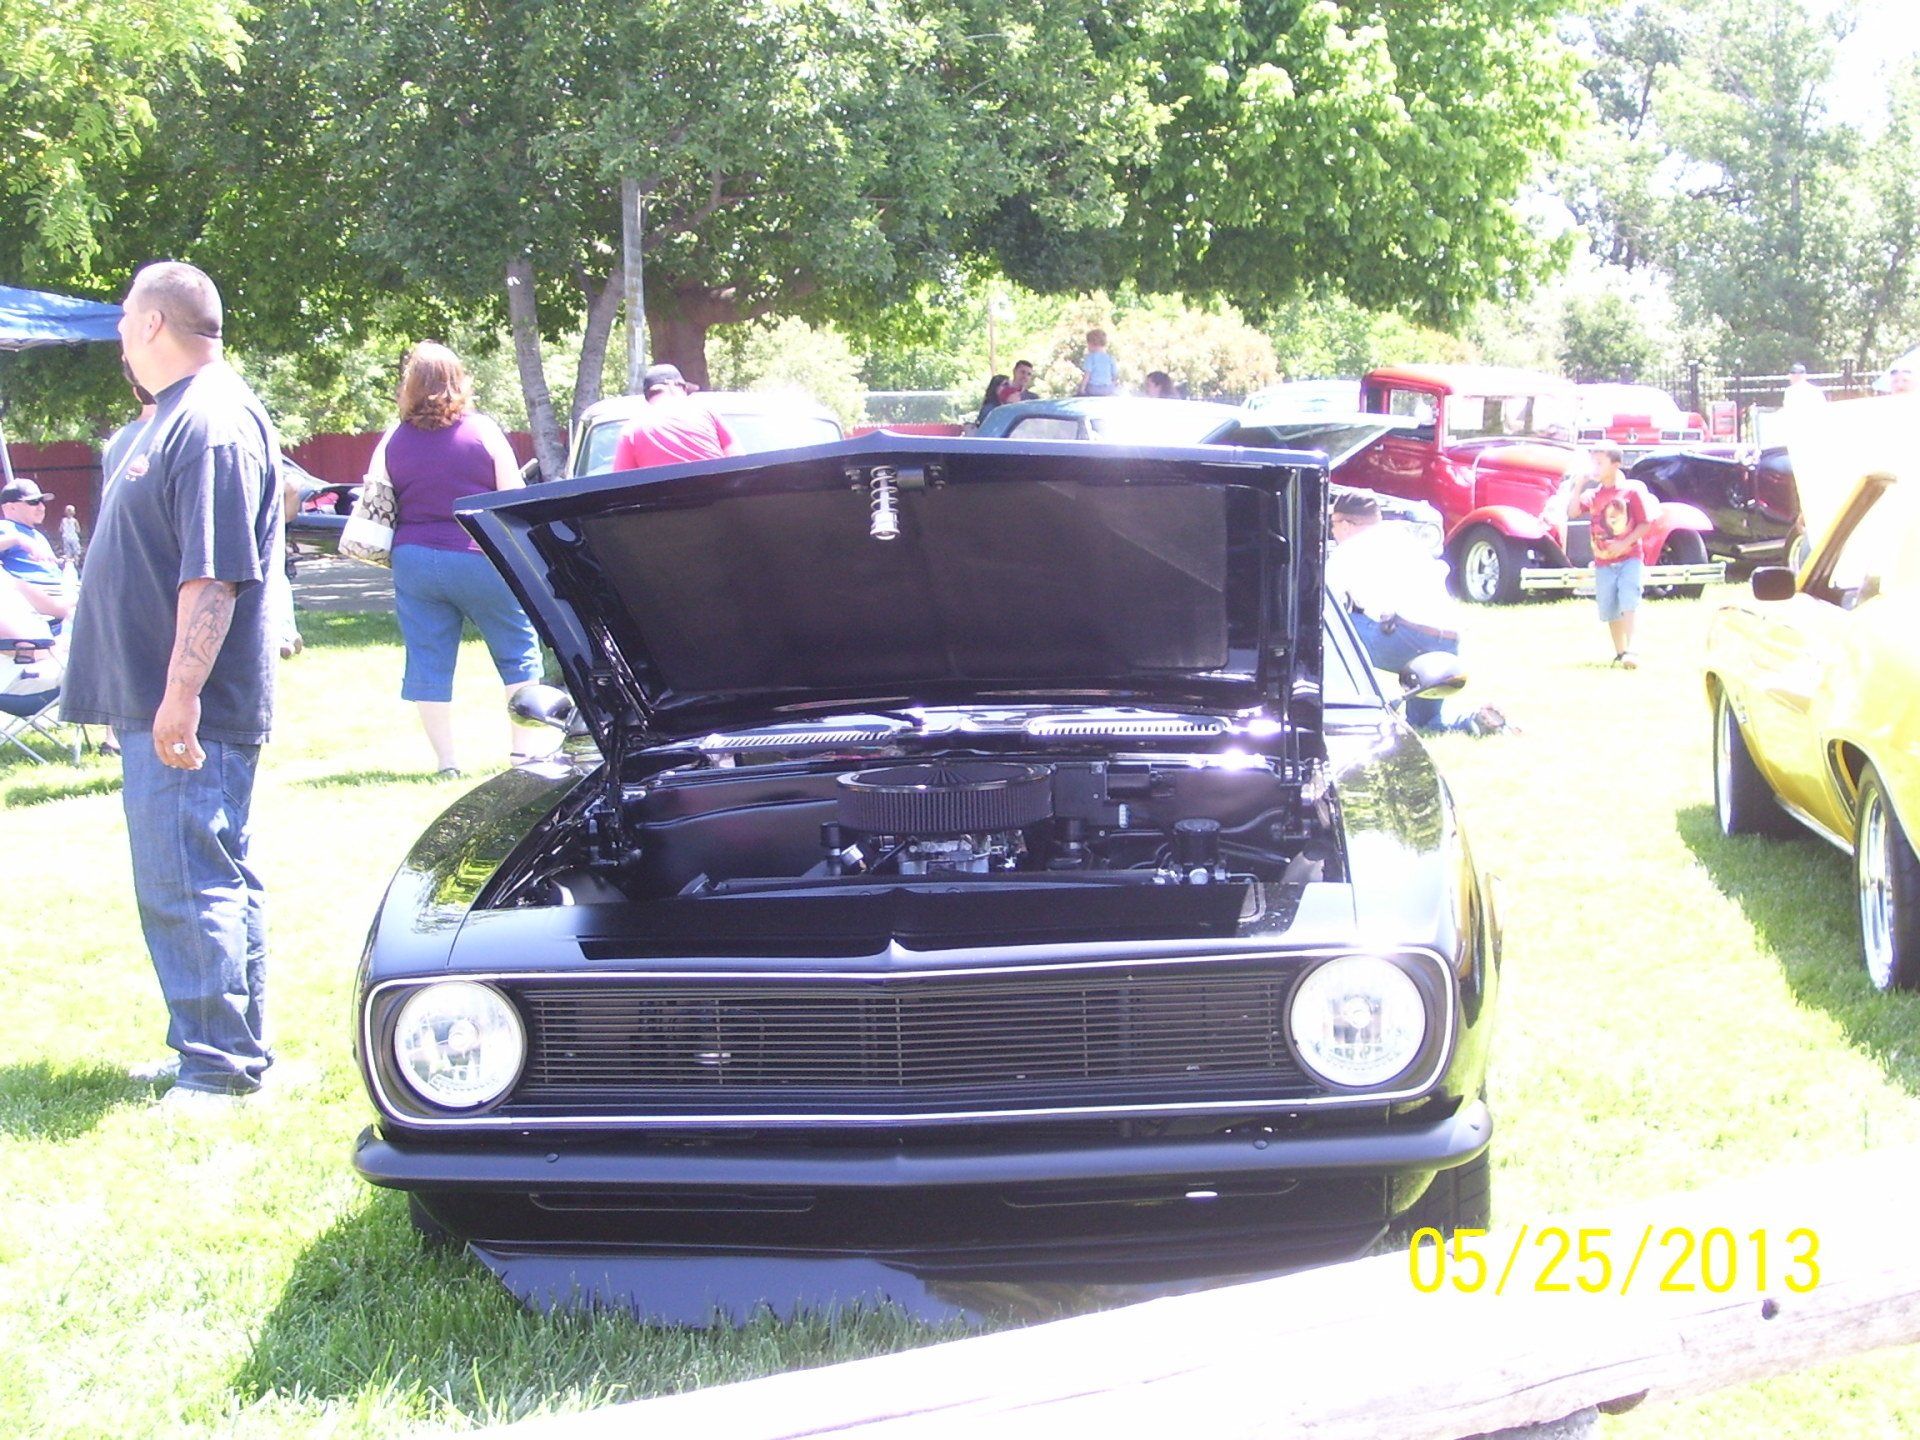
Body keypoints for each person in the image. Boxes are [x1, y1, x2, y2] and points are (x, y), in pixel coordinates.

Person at [59, 260, 283, 1107]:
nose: (119, 331)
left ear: (154, 323)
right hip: (157, 698)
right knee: (208, 869)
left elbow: (216, 575)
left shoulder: (215, 422)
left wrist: (180, 694)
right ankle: (227, 1046)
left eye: (124, 317)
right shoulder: (171, 418)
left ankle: (216, 1068)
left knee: (187, 877)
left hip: (193, 706)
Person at [382, 341, 545, 776]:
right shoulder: (483, 432)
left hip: (414, 558)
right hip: (478, 555)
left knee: (427, 659)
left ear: (411, 386)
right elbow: (511, 500)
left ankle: (447, 763)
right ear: (460, 381)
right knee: (518, 652)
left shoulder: (395, 440)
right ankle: (524, 753)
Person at [1326, 492, 1511, 736]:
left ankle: (1338, 708)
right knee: (1424, 724)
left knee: (1324, 631)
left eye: (1333, 524)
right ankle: (1474, 721)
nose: (1332, 531)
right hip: (1449, 646)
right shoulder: (1403, 537)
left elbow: (1323, 603)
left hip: (1410, 638)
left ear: (1347, 525)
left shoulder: (1348, 550)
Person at [1566, 442, 1652, 668]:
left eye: (1599, 462)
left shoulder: (1630, 492)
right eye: (1593, 462)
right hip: (1603, 561)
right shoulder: (1593, 495)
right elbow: (1573, 512)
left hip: (1629, 557)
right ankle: (1620, 651)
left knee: (1628, 598)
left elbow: (1645, 524)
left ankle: (1633, 648)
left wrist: (1625, 542)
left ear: (1615, 465)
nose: (1595, 467)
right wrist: (1578, 487)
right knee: (1609, 604)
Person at [610, 362, 737, 469]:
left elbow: (618, 486)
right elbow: (738, 461)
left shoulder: (631, 430)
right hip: (718, 495)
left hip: (663, 498)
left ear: (648, 396)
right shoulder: (707, 412)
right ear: (677, 388)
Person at [0, 478, 73, 619]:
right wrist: (18, 539)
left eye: (42, 502)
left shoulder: (37, 534)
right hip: (36, 599)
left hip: (60, 591)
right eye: (33, 502)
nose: (42, 507)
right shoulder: (5, 528)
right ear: (10, 507)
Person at [1076, 328, 1118, 396]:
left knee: (1081, 388)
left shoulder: (1090, 357)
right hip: (1108, 389)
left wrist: (1081, 389)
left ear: (1092, 343)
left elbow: (1087, 375)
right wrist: (1112, 387)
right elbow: (1114, 375)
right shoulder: (1110, 358)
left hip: (1094, 389)